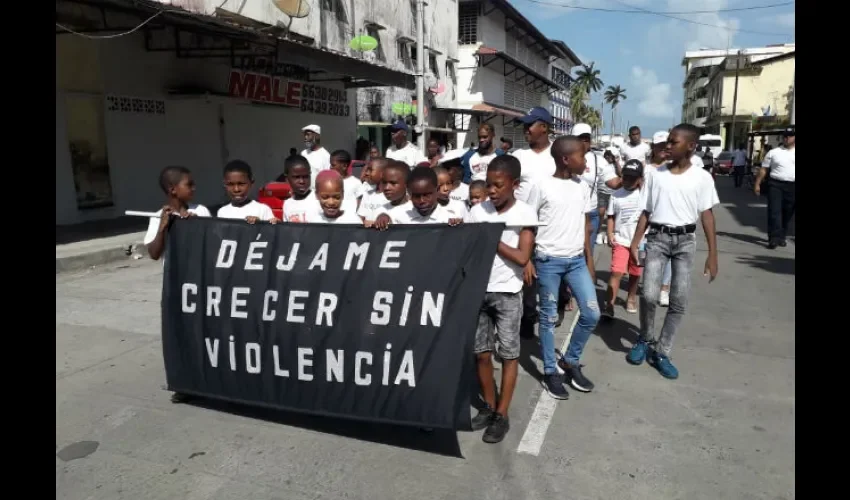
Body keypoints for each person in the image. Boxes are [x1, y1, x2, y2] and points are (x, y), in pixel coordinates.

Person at [628, 123, 719, 380]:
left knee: (678, 299)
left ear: (690, 146)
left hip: (685, 242)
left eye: (673, 142)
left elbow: (708, 216)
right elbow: (646, 212)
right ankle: (645, 338)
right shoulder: (656, 175)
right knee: (648, 294)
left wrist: (713, 254)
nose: (667, 146)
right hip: (657, 238)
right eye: (667, 141)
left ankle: (663, 351)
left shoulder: (702, 177)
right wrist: (635, 243)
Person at [465, 155, 537, 443]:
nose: (492, 191)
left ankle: (502, 414)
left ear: (514, 185)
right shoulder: (477, 211)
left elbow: (522, 257)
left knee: (508, 354)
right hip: (478, 291)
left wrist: (491, 238)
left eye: (498, 186)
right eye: (489, 186)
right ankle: (489, 406)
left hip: (508, 293)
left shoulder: (525, 213)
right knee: (481, 353)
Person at [526, 136, 601, 399]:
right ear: (566, 159)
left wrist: (589, 263)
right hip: (548, 262)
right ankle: (550, 370)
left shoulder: (583, 187)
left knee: (592, 313)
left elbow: (586, 227)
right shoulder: (542, 186)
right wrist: (526, 259)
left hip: (577, 261)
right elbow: (527, 223)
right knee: (548, 319)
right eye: (582, 156)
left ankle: (569, 361)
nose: (586, 162)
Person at [510, 107, 556, 338]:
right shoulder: (519, 156)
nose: (526, 129)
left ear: (544, 127)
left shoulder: (557, 155)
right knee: (523, 272)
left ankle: (548, 310)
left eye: (531, 125)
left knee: (545, 274)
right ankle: (526, 315)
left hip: (550, 226)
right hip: (521, 225)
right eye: (524, 125)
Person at [144, 166, 211, 261]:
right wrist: (162, 228)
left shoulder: (201, 210)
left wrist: (197, 224)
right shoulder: (158, 217)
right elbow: (154, 255)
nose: (194, 188)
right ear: (173, 190)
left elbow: (212, 243)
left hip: (199, 271)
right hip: (174, 274)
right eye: (189, 185)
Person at [604, 159, 645, 316]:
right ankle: (609, 304)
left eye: (632, 178)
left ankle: (631, 297)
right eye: (625, 177)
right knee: (616, 272)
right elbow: (611, 217)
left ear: (640, 179)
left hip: (641, 242)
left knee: (635, 273)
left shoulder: (645, 195)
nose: (627, 181)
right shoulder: (616, 195)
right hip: (621, 240)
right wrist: (610, 233)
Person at [373, 167, 463, 229]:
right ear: (409, 193)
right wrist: (384, 218)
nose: (422, 201)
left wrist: (460, 227)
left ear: (437, 190)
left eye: (427, 195)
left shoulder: (450, 218)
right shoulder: (399, 217)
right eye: (416, 196)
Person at [754, 127, 795, 249]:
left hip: (792, 186)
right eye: (785, 136)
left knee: (787, 212)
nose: (787, 138)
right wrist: (757, 183)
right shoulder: (774, 152)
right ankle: (773, 238)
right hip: (775, 185)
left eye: (790, 136)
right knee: (774, 212)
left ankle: (782, 236)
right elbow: (764, 169)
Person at [648, 130, 673, 305]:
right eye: (660, 146)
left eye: (666, 146)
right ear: (653, 147)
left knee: (669, 255)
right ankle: (649, 285)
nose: (663, 149)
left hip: (668, 218)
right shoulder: (645, 168)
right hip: (647, 218)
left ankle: (664, 288)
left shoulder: (675, 168)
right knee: (650, 256)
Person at [281, 155, 321, 223]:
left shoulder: (319, 199)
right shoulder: (287, 204)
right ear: (287, 179)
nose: (302, 181)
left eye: (306, 176)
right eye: (296, 177)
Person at [357, 157, 389, 225]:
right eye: (366, 170)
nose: (366, 173)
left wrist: (372, 224)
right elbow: (360, 217)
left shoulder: (390, 197)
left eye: (370, 170)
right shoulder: (367, 194)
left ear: (383, 173)